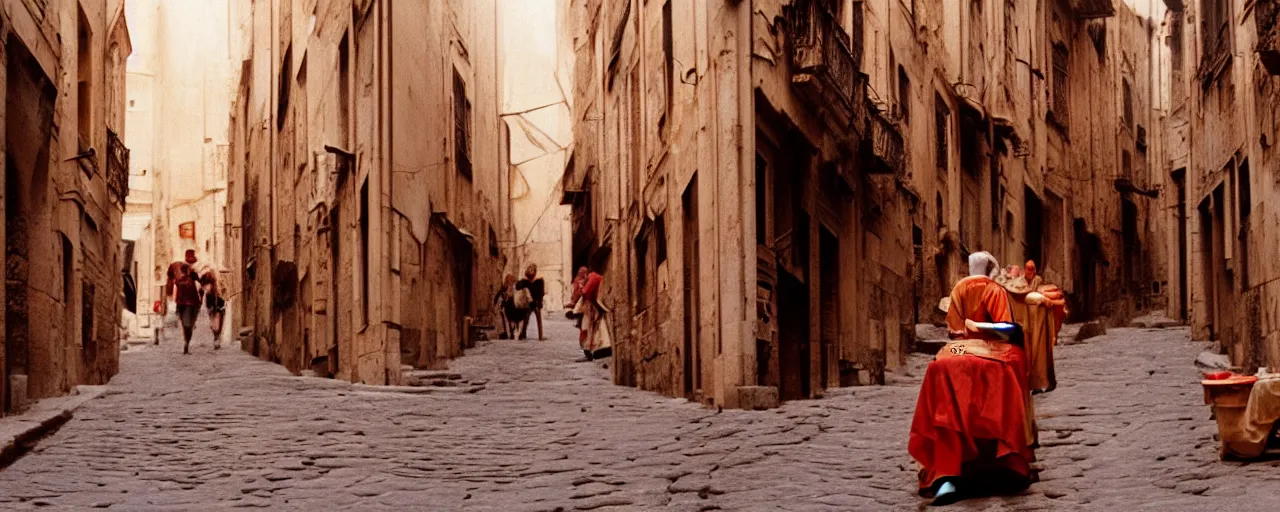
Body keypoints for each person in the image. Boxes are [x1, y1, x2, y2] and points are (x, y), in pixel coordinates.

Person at [909, 251, 1035, 506]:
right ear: (990, 269)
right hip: (992, 348)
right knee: (1011, 366)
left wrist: (966, 333)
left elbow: (953, 331)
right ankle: (1006, 458)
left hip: (959, 348)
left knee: (941, 365)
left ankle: (946, 472)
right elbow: (1004, 328)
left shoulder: (957, 289)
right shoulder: (994, 289)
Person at [166, 254, 203, 355]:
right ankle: (186, 343)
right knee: (186, 325)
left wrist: (201, 299)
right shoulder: (179, 280)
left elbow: (201, 285)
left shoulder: (193, 275)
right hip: (184, 305)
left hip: (193, 304)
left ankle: (187, 343)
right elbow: (170, 279)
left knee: (188, 326)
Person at [578, 269, 611, 361]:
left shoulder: (593, 277)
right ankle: (590, 352)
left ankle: (588, 353)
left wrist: (581, 288)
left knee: (587, 330)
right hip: (593, 306)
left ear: (585, 273)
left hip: (591, 307)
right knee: (590, 330)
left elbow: (586, 292)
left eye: (581, 274)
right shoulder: (595, 277)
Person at [516, 264, 546, 340]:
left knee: (537, 317)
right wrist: (523, 280)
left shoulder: (539, 281)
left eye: (532, 270)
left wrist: (539, 302)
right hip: (528, 303)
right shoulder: (525, 281)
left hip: (536, 302)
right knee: (525, 317)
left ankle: (540, 335)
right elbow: (517, 287)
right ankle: (523, 333)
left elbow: (541, 293)